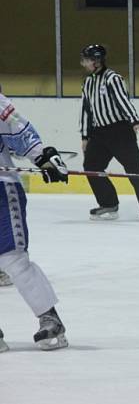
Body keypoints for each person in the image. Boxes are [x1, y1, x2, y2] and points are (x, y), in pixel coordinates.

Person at [0, 90, 69, 352]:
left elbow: (17, 127)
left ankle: (49, 318)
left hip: (1, 190)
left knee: (12, 259)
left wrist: (42, 156)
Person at [79, 44, 139, 221]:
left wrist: (135, 121)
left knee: (134, 168)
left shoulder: (112, 78)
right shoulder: (88, 82)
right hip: (99, 133)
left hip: (119, 131)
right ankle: (108, 204)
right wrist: (85, 136)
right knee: (91, 167)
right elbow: (86, 110)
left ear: (96, 61)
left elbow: (123, 101)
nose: (83, 63)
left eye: (86, 60)